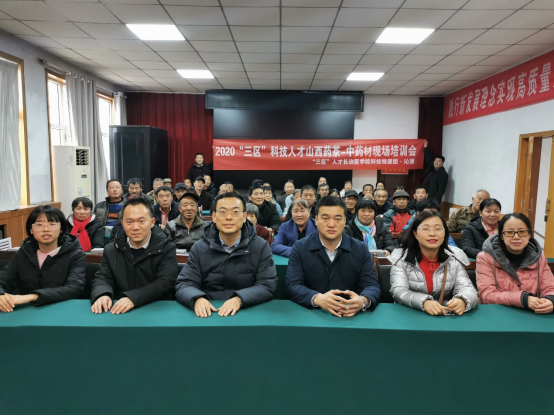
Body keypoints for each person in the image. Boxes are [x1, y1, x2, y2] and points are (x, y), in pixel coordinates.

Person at [175, 192, 278, 318]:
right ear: (214, 216)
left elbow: (267, 284)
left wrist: (240, 299)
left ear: (244, 216)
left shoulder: (260, 246)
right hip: (209, 311)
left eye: (235, 212)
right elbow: (185, 283)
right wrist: (197, 298)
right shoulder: (199, 247)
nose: (229, 217)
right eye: (223, 212)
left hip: (246, 310)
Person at [286, 196, 381, 317]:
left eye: (337, 219)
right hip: (312, 315)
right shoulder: (300, 247)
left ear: (345, 220)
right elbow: (292, 285)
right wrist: (317, 298)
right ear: (316, 220)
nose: (331, 224)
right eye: (325, 218)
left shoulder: (360, 248)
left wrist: (363, 301)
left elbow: (372, 286)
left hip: (349, 315)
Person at [91, 198, 178, 315]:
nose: (135, 227)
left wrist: (133, 298)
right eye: (129, 222)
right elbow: (103, 277)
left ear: (152, 222)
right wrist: (103, 293)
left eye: (141, 221)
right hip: (119, 311)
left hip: (156, 310)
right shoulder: (111, 249)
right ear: (122, 224)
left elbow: (165, 282)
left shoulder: (166, 247)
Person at [389, 210, 478, 316]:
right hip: (408, 314)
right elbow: (398, 291)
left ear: (444, 233)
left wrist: (462, 300)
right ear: (415, 234)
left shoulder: (454, 257)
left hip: (443, 315)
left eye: (438, 229)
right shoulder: (401, 258)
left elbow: (468, 289)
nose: (432, 234)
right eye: (425, 229)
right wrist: (424, 302)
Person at [0, 206, 86, 312]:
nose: (45, 229)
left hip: (63, 310)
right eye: (39, 225)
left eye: (52, 224)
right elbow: (3, 280)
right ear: (31, 230)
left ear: (61, 229)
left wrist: (31, 297)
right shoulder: (24, 252)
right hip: (28, 311)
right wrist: (1, 295)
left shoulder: (75, 254)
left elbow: (75, 288)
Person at [477, 213, 554, 314]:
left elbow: (550, 288)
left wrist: (550, 300)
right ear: (501, 235)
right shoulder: (485, 258)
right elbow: (487, 295)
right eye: (509, 232)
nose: (516, 237)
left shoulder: (539, 258)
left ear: (529, 234)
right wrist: (523, 299)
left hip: (530, 314)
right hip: (496, 314)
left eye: (522, 232)